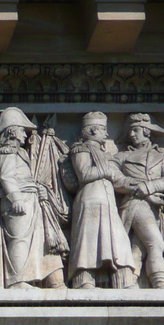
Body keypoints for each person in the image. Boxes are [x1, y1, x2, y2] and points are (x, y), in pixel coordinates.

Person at [0, 107, 68, 289]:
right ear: (12, 131)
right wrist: (16, 198)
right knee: (19, 239)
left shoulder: (20, 152)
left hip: (31, 199)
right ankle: (17, 281)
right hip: (18, 202)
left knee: (40, 240)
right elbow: (6, 176)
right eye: (22, 130)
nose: (25, 135)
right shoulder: (6, 152)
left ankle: (51, 279)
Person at [67, 112, 135, 289]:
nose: (106, 134)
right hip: (89, 200)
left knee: (118, 240)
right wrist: (107, 171)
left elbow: (120, 180)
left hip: (108, 203)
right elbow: (84, 174)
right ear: (91, 130)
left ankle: (125, 280)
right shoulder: (80, 149)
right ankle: (84, 280)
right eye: (103, 130)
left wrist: (144, 187)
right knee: (87, 242)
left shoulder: (106, 155)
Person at [112, 113, 164, 289]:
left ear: (147, 132)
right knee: (155, 242)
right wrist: (144, 190)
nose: (132, 134)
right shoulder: (121, 157)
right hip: (134, 203)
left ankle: (131, 282)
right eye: (130, 131)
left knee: (138, 247)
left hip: (156, 208)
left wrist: (149, 189)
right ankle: (159, 282)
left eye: (135, 130)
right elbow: (115, 179)